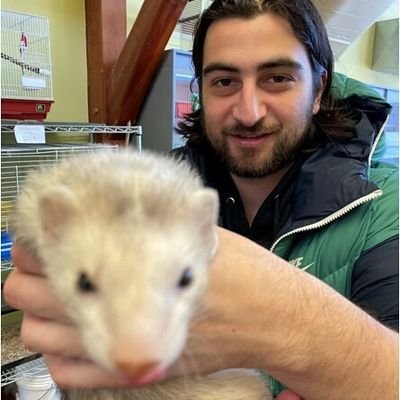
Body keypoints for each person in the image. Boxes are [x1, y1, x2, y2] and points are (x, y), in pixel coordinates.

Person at [4, 0, 398, 399]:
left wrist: (285, 321)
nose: (248, 112)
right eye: (224, 81)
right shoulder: (153, 187)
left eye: (277, 78)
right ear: (201, 92)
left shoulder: (385, 207)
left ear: (318, 91)